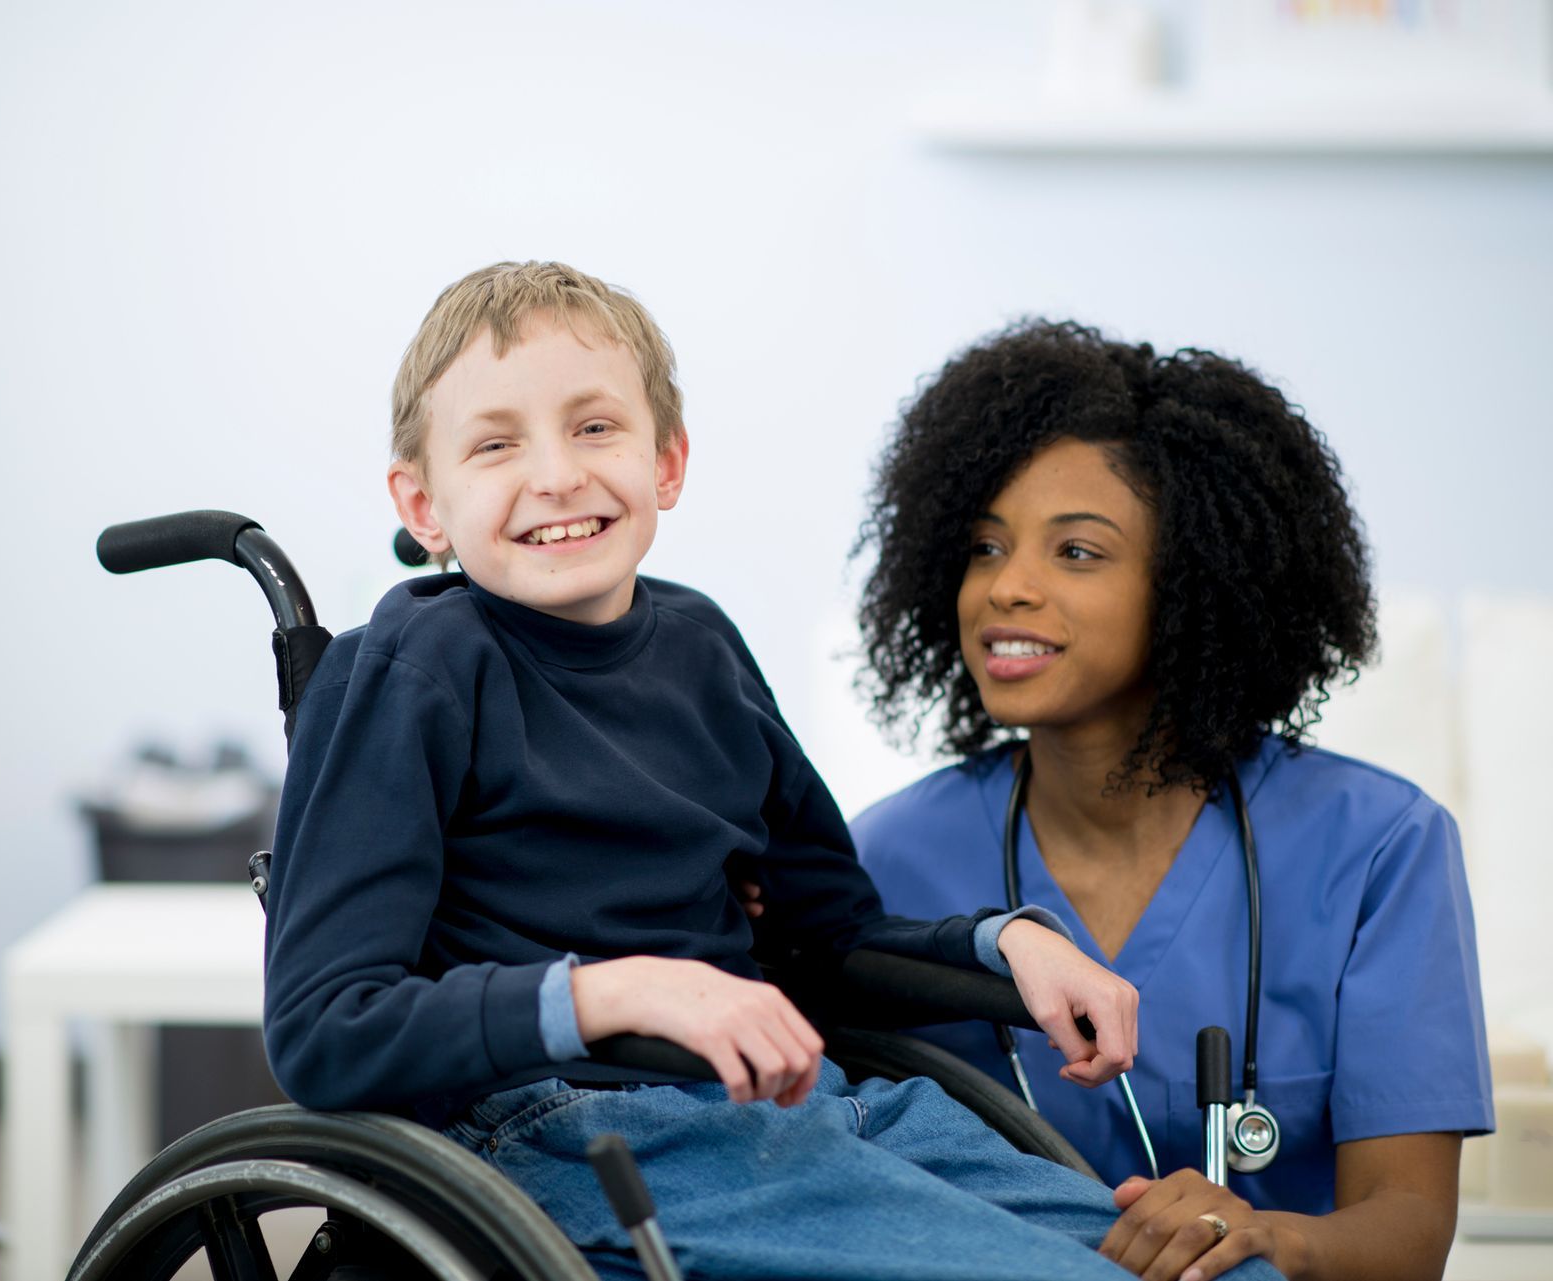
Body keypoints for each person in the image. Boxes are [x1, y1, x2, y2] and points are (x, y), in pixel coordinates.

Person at [260, 263, 1280, 1280]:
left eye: (595, 427)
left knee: (1230, 1271)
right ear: (423, 504)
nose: (558, 475)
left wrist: (1003, 943)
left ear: (668, 462)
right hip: (565, 1133)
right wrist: (627, 993)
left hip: (799, 1107)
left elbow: (822, 940)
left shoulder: (701, 646)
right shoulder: (410, 670)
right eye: (495, 444)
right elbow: (324, 1031)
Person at [841, 320, 1491, 1281]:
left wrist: (1274, 1233)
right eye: (984, 545)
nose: (1005, 587)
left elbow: (1409, 1231)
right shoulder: (887, 860)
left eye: (1076, 552)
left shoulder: (1379, 849)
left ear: (1195, 584)